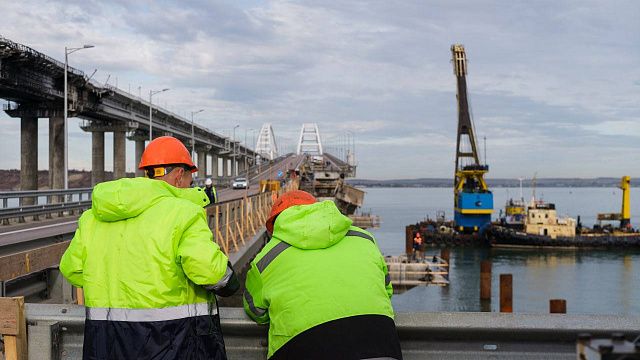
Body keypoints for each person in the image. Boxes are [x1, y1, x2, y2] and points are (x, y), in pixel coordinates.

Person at [60, 136, 239, 360]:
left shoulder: (92, 219)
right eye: (190, 180)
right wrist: (230, 280)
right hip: (171, 343)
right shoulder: (183, 213)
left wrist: (118, 281)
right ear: (179, 175)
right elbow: (210, 272)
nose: (189, 186)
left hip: (105, 345)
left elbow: (71, 268)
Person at [243, 190, 402, 359]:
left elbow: (255, 310)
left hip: (303, 348)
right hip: (381, 344)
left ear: (276, 225)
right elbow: (386, 290)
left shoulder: (266, 259)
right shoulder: (364, 238)